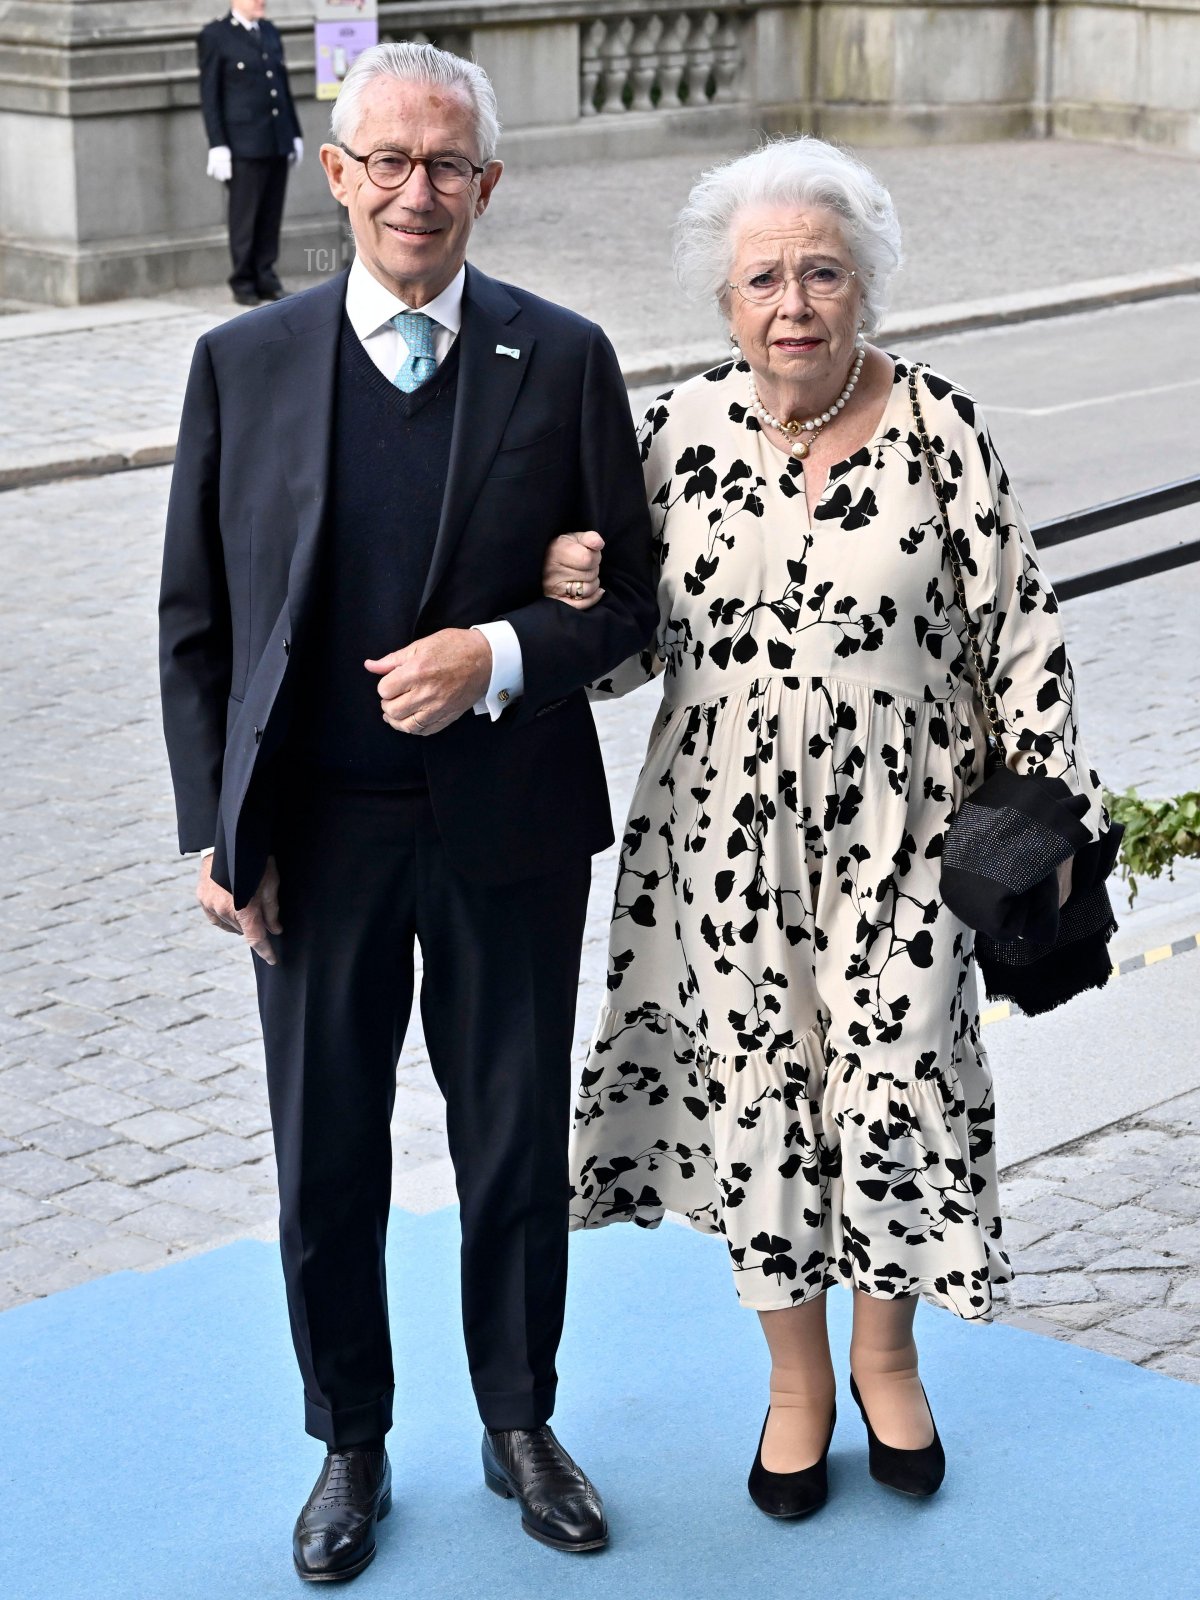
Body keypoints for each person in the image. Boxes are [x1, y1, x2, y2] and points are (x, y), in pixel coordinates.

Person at [542, 136, 1107, 1518]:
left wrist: (1030, 828)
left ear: (865, 289)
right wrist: (569, 593)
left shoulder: (938, 424)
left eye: (822, 274)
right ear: (725, 303)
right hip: (719, 852)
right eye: (763, 280)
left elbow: (1022, 632)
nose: (793, 303)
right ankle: (797, 1387)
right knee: (761, 1115)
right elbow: (622, 659)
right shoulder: (673, 436)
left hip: (915, 846)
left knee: (898, 1090)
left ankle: (887, 1360)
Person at [160, 42, 655, 1582]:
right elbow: (197, 622)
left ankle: (520, 1421)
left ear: (488, 186)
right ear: (336, 173)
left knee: (512, 1142)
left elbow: (630, 608)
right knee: (327, 1155)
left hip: (504, 828)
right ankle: (350, 1442)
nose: (415, 192)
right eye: (387, 160)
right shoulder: (245, 365)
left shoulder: (561, 356)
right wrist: (214, 831)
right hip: (316, 840)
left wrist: (502, 652)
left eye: (447, 165)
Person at [199, 0, 304, 306]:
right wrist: (217, 144)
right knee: (245, 216)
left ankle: (265, 276)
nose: (262, 1)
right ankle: (243, 280)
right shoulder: (216, 35)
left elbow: (281, 87)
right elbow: (210, 95)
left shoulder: (270, 32)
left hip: (275, 138)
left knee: (271, 213)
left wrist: (293, 132)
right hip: (243, 142)